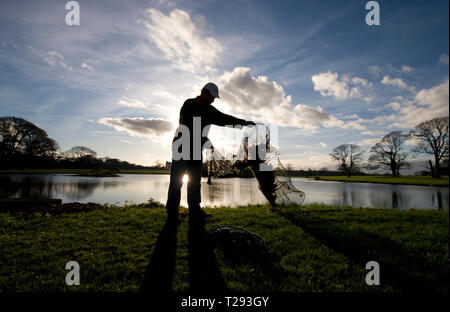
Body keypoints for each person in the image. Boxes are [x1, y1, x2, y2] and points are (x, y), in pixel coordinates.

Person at [166, 82, 255, 225]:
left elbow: (226, 119)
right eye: (212, 97)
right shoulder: (189, 104)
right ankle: (172, 216)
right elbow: (186, 122)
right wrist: (202, 137)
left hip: (195, 149)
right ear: (204, 92)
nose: (213, 100)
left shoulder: (210, 110)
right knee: (176, 183)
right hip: (181, 147)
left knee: (194, 182)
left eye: (214, 98)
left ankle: (195, 211)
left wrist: (244, 123)